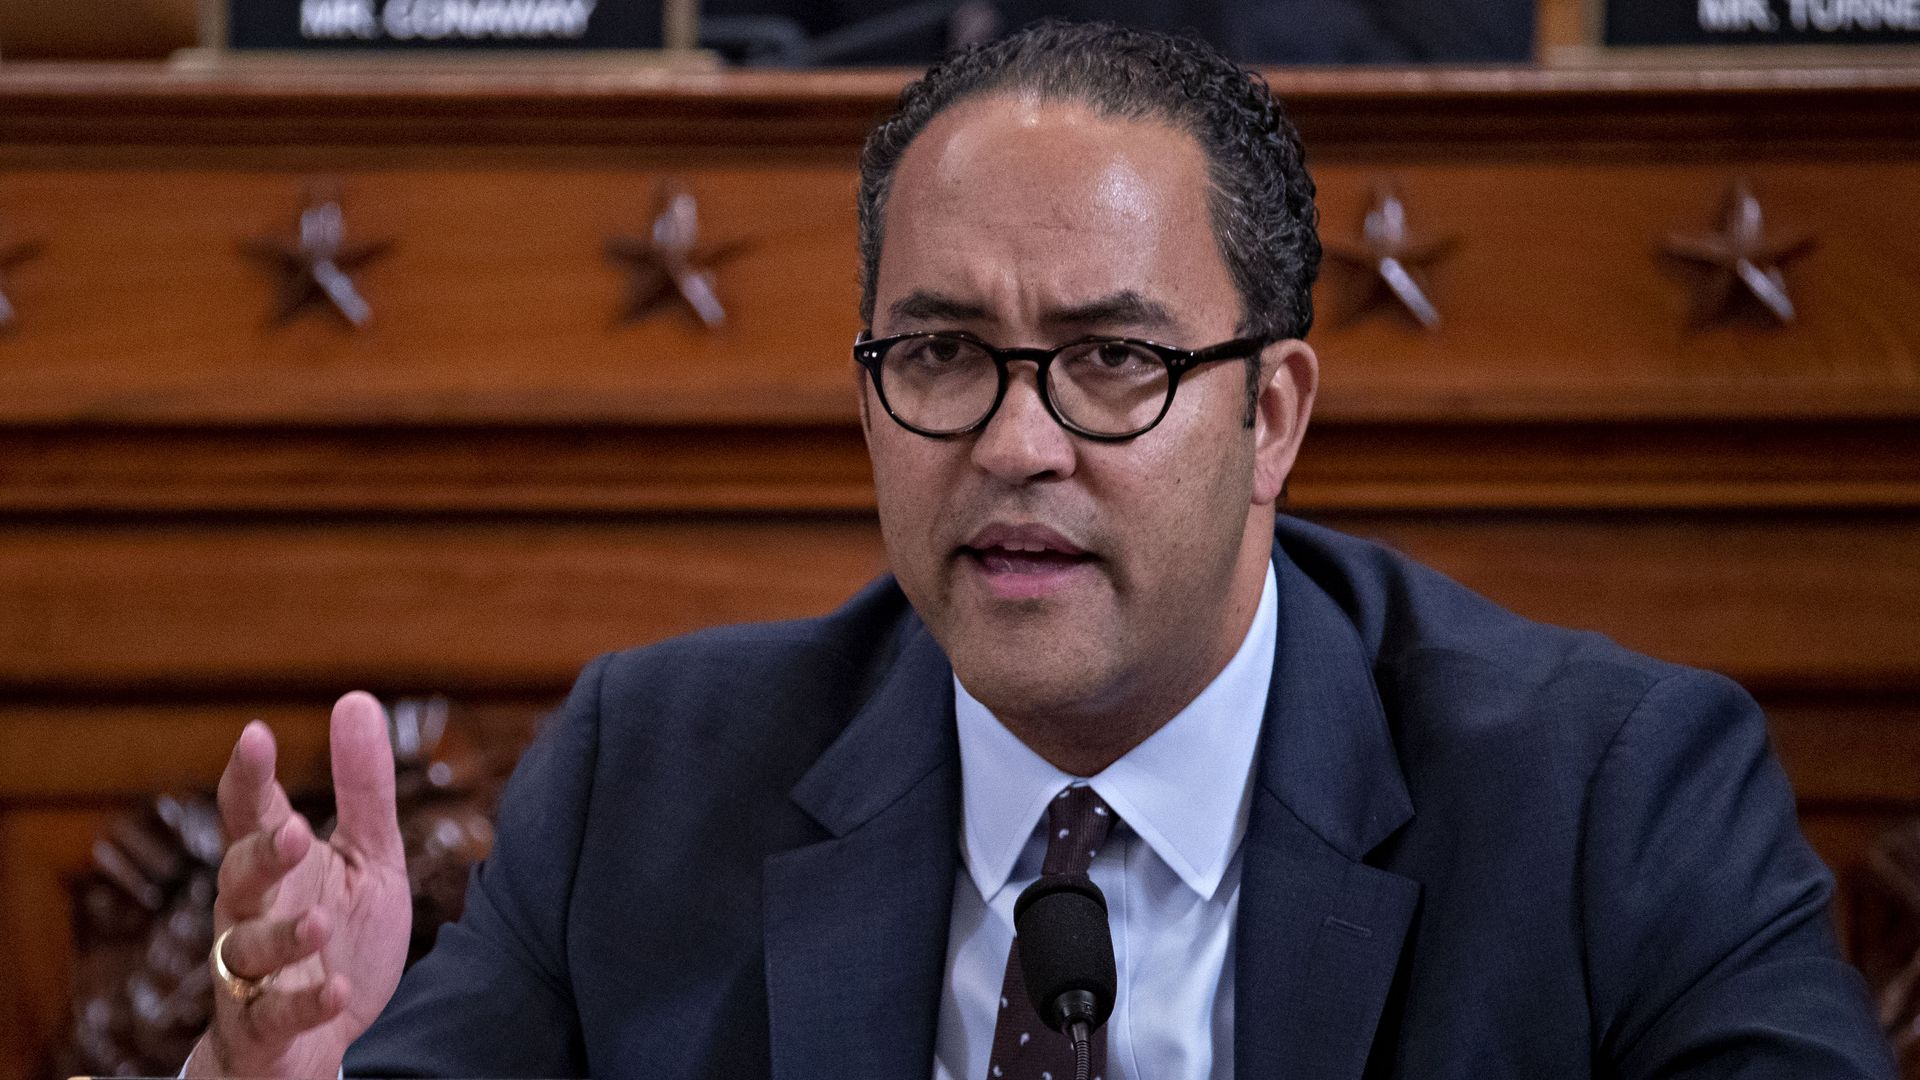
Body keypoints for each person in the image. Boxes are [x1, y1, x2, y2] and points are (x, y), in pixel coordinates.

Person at [182, 21, 1895, 1080]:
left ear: (1272, 415)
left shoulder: (1613, 796)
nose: (1014, 442)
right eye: (937, 355)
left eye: (1113, 361)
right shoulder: (651, 776)